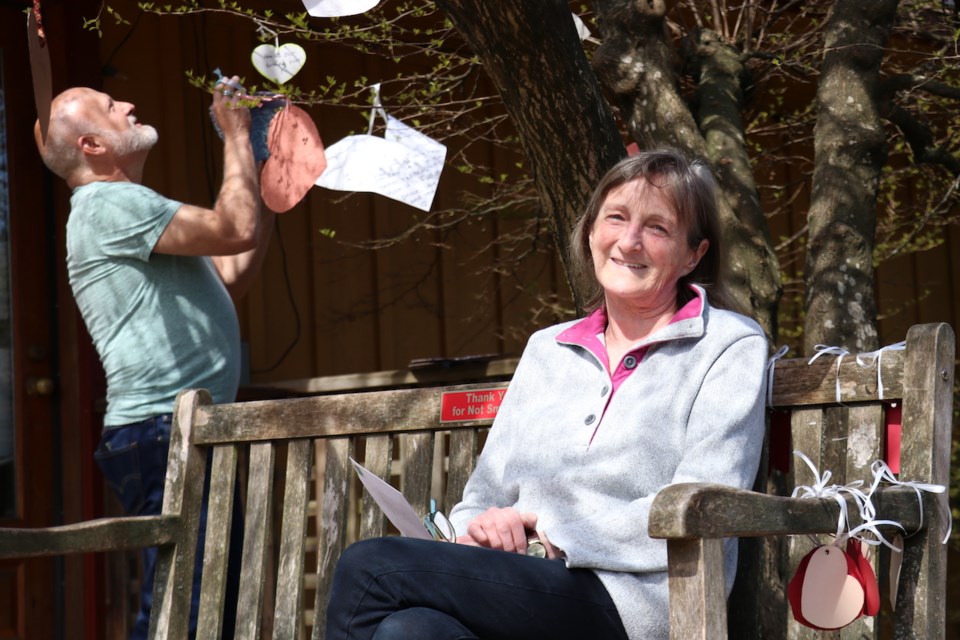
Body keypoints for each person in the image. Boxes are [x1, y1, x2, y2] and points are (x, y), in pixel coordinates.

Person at [325, 149, 769, 640]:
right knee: (409, 631)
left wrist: (554, 534)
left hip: (631, 600)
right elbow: (483, 496)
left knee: (373, 567)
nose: (629, 240)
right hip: (523, 587)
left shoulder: (728, 345)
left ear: (694, 254)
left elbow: (703, 499)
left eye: (658, 228)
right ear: (590, 232)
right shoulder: (548, 349)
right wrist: (482, 529)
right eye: (616, 218)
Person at [35, 77, 272, 639]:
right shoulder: (110, 203)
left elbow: (229, 274)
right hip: (167, 431)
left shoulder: (121, 209)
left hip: (172, 430)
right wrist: (238, 136)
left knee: (197, 599)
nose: (130, 105)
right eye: (113, 106)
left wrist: (264, 176)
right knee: (190, 607)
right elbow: (234, 229)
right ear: (93, 145)